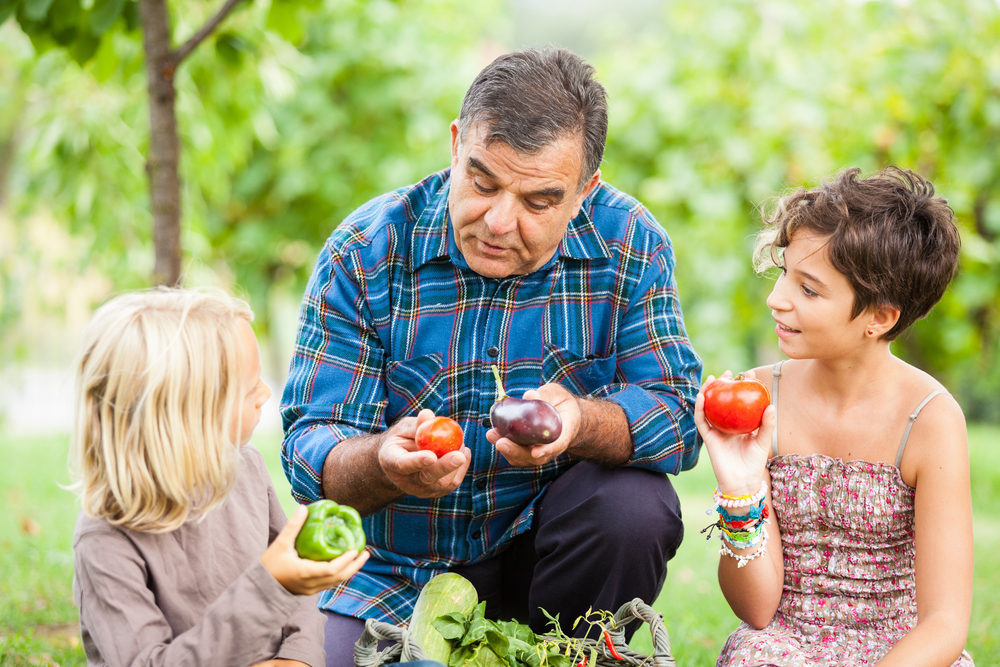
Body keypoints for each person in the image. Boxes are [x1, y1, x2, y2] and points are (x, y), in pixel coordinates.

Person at [281, 47, 702, 665]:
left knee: (633, 509)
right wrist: (385, 461)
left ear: (585, 190)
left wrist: (580, 423)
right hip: (397, 574)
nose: (499, 221)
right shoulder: (366, 251)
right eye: (482, 182)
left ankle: (573, 655)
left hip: (549, 566)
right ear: (456, 145)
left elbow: (677, 414)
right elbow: (306, 450)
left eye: (538, 202)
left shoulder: (629, 244)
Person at [695, 166, 975, 665]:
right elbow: (758, 611)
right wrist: (739, 488)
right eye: (784, 274)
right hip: (784, 645)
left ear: (880, 317)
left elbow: (945, 624)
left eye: (809, 289)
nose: (775, 300)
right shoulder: (761, 396)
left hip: (902, 653)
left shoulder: (930, 420)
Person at [69, 287, 370, 666]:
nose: (264, 394)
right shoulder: (106, 541)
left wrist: (297, 656)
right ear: (187, 417)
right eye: (248, 390)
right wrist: (273, 585)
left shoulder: (245, 468)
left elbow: (300, 587)